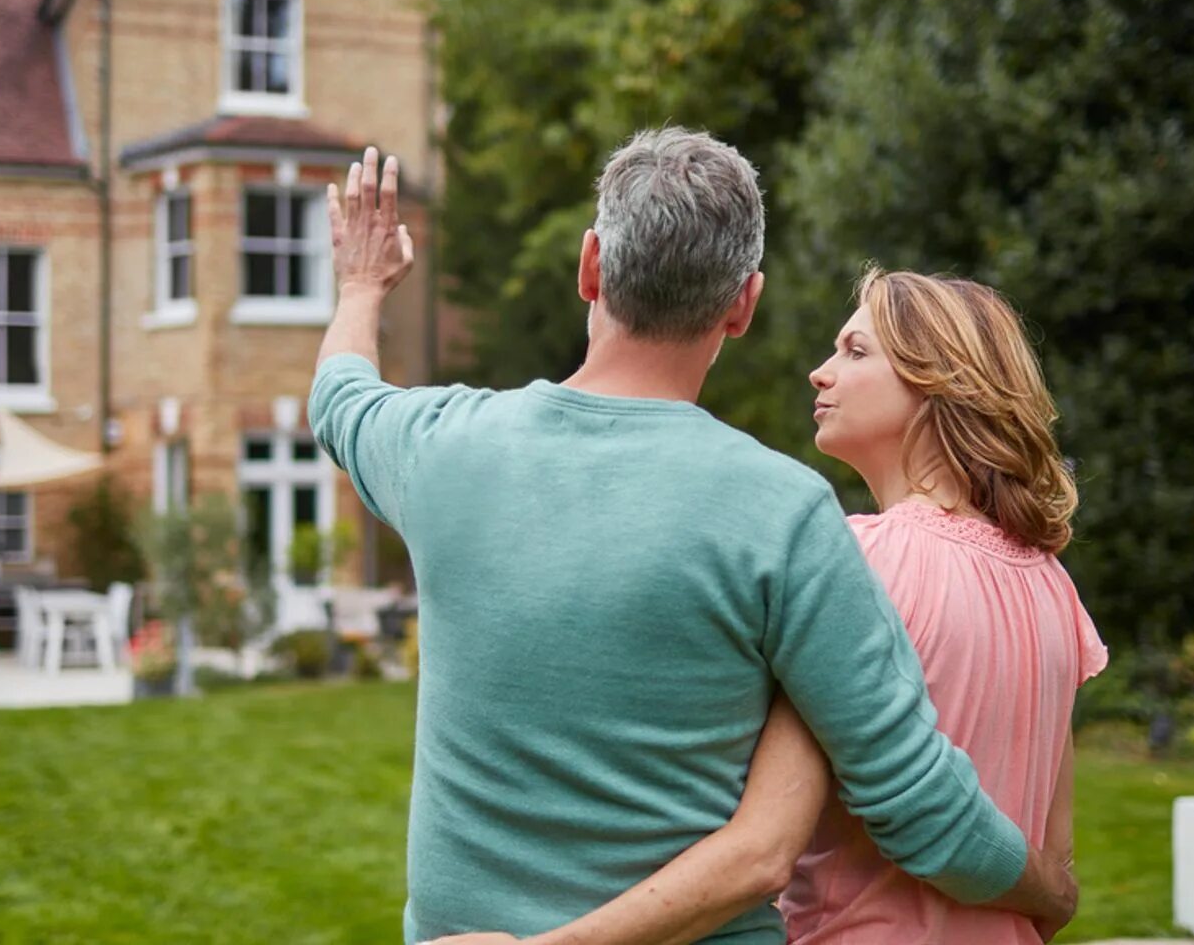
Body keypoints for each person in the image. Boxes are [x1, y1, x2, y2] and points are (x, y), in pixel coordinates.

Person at [308, 132, 1078, 945]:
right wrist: (1051, 892)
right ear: (743, 303)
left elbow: (339, 395)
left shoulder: (440, 445)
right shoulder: (786, 514)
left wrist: (361, 285)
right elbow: (918, 802)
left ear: (590, 267)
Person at [439, 270, 1107, 945]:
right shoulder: (1052, 587)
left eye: (855, 351)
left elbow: (761, 849)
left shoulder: (857, 562)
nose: (820, 373)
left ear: (937, 380)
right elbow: (1055, 869)